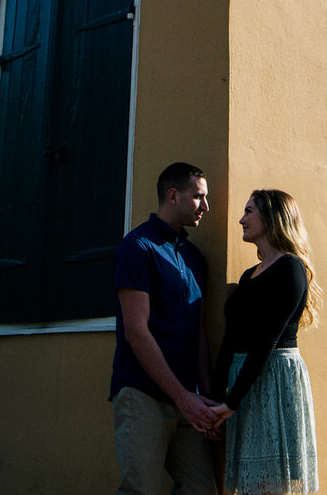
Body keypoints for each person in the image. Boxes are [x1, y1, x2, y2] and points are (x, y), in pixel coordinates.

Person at [111, 162, 220, 495]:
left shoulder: (194, 257)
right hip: (143, 394)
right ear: (173, 196)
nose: (206, 206)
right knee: (140, 490)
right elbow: (137, 331)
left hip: (188, 400)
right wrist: (183, 398)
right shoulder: (137, 247)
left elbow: (199, 333)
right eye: (198, 196)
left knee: (202, 490)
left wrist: (206, 398)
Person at [209, 189, 322, 495]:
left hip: (273, 377)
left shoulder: (291, 269)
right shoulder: (249, 276)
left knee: (272, 483)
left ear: (272, 217)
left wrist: (231, 403)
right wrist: (217, 396)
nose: (241, 219)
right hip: (244, 378)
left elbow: (266, 340)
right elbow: (231, 337)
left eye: (249, 212)